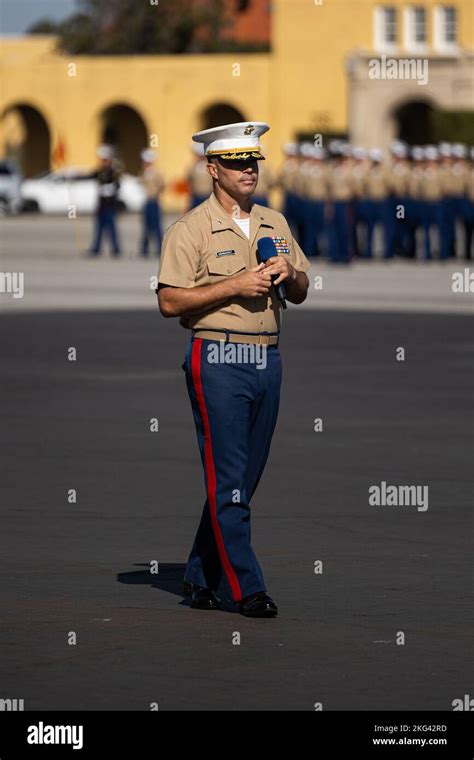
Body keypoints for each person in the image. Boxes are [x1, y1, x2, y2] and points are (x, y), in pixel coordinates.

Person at [156, 121, 310, 618]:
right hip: (220, 356)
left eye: (254, 161)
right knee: (229, 480)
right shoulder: (190, 229)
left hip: (268, 355)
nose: (249, 170)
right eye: (238, 162)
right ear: (213, 168)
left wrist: (292, 274)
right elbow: (169, 301)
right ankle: (246, 588)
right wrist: (233, 286)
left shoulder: (275, 222)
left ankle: (200, 575)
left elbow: (304, 288)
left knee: (244, 475)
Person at [76, 144, 122, 257]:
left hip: (110, 204)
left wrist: (108, 189)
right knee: (99, 228)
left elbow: (117, 185)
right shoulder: (100, 171)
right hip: (101, 204)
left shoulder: (113, 171)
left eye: (104, 160)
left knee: (111, 228)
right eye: (102, 160)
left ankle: (115, 249)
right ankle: (96, 249)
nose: (103, 162)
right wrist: (75, 178)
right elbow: (90, 176)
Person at [139, 149, 164, 257]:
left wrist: (155, 194)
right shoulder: (144, 172)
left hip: (154, 201)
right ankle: (144, 249)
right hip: (146, 202)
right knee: (146, 226)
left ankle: (160, 249)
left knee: (157, 226)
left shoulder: (156, 172)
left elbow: (162, 185)